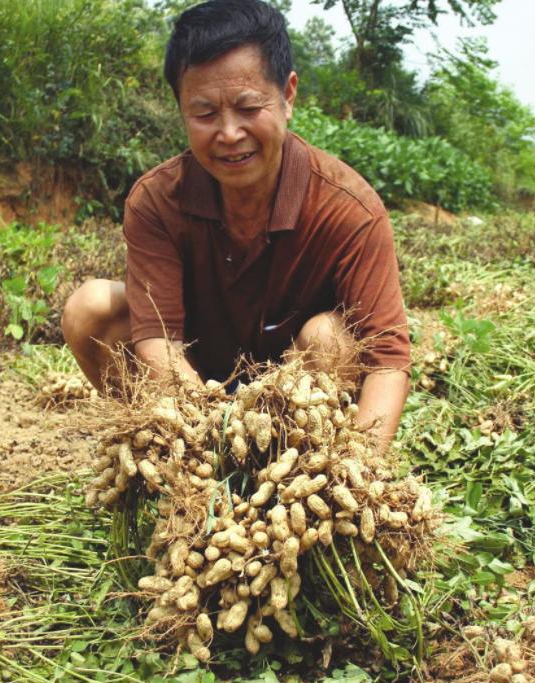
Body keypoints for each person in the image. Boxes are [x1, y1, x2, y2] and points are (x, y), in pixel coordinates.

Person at [61, 0, 410, 449]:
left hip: (299, 403)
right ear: (181, 108)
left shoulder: (349, 208)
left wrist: (361, 474)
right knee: (91, 308)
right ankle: (169, 457)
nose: (228, 134)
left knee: (331, 339)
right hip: (193, 393)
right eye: (205, 114)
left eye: (248, 107)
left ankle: (302, 461)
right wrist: (214, 442)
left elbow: (386, 359)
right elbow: (159, 341)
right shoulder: (156, 201)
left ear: (288, 95)